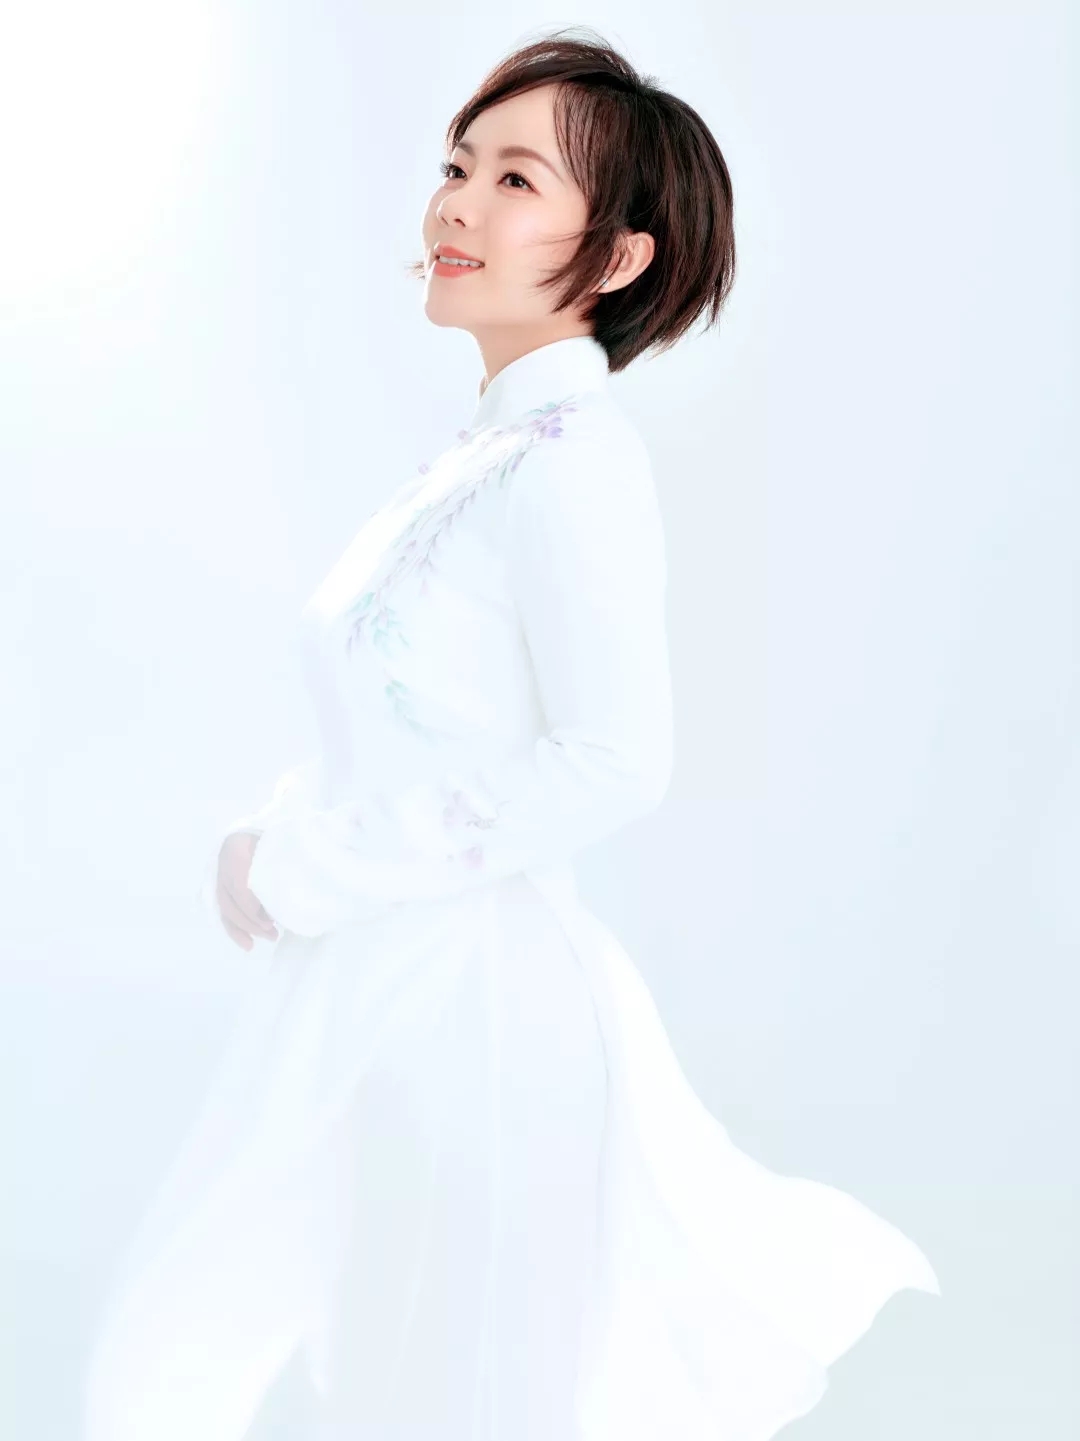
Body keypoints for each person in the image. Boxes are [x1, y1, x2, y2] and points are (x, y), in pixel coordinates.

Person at [83, 28, 940, 1441]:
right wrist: (274, 837)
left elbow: (616, 760)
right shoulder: (480, 462)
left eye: (516, 179)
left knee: (446, 1394)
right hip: (378, 993)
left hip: (478, 1019)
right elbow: (412, 723)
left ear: (618, 258)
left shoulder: (575, 464)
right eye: (457, 164)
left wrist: (302, 867)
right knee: (285, 1368)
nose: (457, 204)